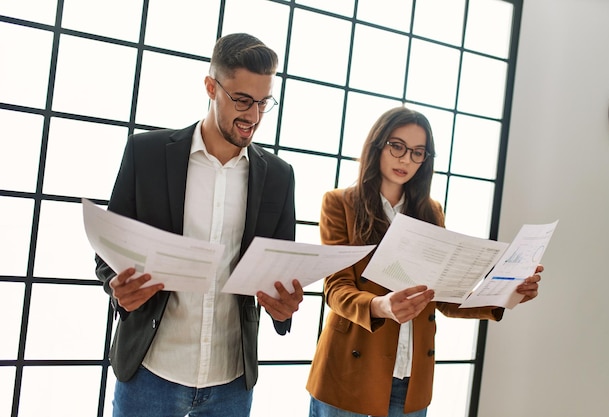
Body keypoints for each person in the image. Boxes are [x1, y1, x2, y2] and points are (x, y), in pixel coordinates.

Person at [95, 33, 304, 417]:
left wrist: (284, 307)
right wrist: (117, 287)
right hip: (150, 371)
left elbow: (280, 271)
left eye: (263, 103)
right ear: (211, 86)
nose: (253, 117)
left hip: (231, 382)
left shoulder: (279, 176)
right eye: (242, 100)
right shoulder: (148, 154)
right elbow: (109, 250)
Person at [306, 107, 542, 417]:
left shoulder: (431, 212)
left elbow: (442, 296)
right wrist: (381, 306)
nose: (406, 159)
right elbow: (336, 289)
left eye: (417, 152)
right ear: (378, 144)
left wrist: (509, 292)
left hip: (410, 379)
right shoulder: (340, 203)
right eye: (397, 146)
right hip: (349, 374)